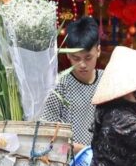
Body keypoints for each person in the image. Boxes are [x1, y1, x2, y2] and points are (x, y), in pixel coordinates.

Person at [41, 17, 103, 153]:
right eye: (76, 58)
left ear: (98, 50)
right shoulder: (58, 86)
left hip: (104, 165)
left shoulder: (107, 81)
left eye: (88, 58)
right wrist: (84, 151)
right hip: (69, 165)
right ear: (68, 54)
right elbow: (47, 133)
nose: (82, 64)